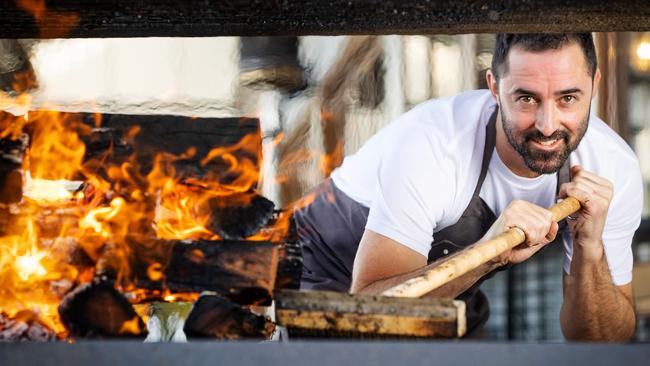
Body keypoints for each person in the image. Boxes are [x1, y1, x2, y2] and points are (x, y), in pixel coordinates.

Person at [293, 33, 642, 341]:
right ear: (494, 88)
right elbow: (368, 309)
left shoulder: (612, 167)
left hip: (442, 289)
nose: (548, 125)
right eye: (526, 98)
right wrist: (489, 255)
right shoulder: (432, 145)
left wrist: (589, 248)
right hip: (320, 268)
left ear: (594, 85)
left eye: (568, 98)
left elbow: (598, 341)